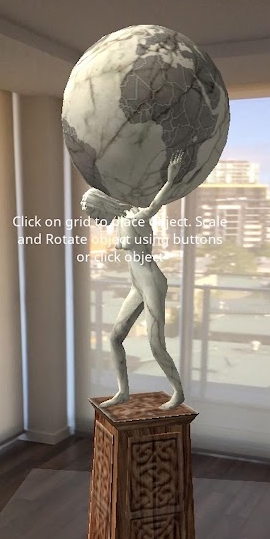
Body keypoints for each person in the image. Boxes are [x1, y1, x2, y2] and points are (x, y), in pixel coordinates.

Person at [81, 150, 185, 410]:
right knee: (115, 338)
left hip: (151, 282)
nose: (96, 220)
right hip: (137, 285)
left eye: (95, 213)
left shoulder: (134, 218)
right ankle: (123, 392)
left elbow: (154, 206)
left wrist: (170, 180)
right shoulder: (120, 221)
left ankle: (179, 393)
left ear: (102, 205)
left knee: (155, 344)